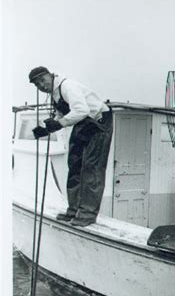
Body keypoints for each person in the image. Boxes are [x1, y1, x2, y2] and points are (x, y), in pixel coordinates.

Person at [29, 66, 113, 227]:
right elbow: (61, 114)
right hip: (83, 122)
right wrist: (46, 128)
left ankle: (87, 214)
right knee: (74, 164)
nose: (41, 85)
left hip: (99, 122)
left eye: (42, 80)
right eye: (37, 84)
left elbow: (81, 110)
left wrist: (59, 123)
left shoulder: (67, 86)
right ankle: (74, 210)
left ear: (51, 75)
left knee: (91, 167)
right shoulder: (54, 93)